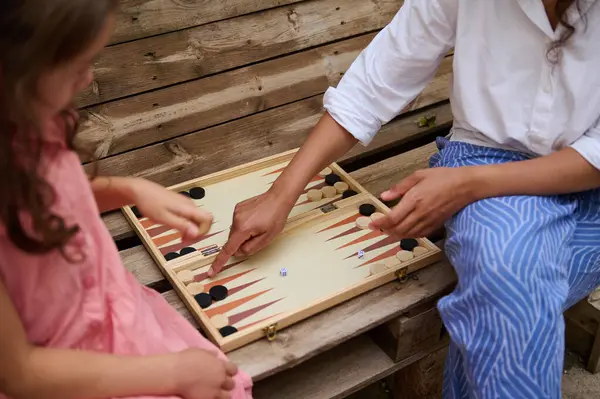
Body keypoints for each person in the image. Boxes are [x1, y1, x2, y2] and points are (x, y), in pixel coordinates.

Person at [210, 0, 600, 397]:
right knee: (509, 287)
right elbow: (377, 81)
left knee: (505, 303)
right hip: (485, 153)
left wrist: (466, 186)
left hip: (588, 182)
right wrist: (280, 195)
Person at [0, 1, 253, 398]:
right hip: (71, 374)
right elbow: (20, 373)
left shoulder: (30, 118)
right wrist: (172, 373)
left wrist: (129, 190)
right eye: (77, 66)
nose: (87, 80)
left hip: (115, 314)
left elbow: (48, 199)